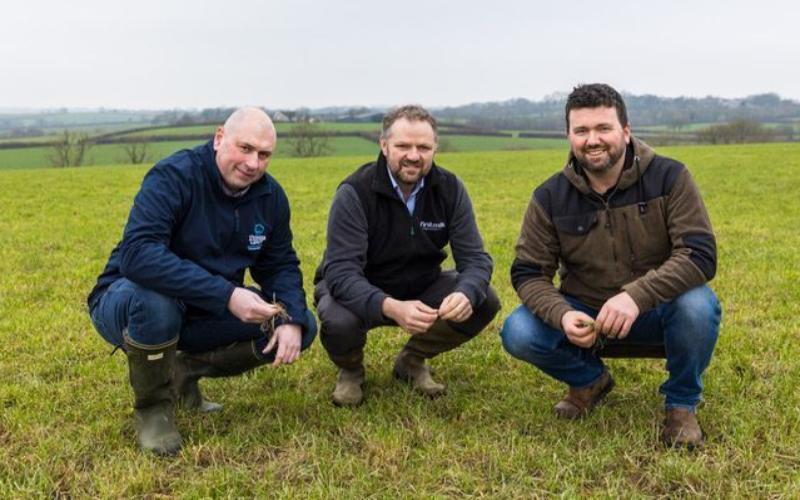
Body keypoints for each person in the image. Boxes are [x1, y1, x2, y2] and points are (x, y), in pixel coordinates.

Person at [500, 84, 721, 448]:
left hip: (655, 311)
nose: (593, 140)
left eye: (603, 128)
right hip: (587, 317)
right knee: (518, 330)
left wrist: (636, 297)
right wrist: (562, 316)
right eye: (581, 131)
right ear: (568, 136)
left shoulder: (671, 176)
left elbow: (699, 253)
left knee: (698, 305)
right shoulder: (549, 196)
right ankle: (589, 380)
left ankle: (681, 405)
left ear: (626, 131)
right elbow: (528, 272)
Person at [87, 107, 317, 456]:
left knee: (300, 325)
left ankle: (184, 371)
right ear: (219, 137)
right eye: (245, 148)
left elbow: (280, 264)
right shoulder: (174, 176)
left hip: (203, 308)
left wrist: (293, 319)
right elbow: (138, 254)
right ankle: (154, 410)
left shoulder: (270, 198)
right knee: (156, 304)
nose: (253, 163)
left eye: (264, 154)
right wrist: (226, 294)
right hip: (127, 301)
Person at [314, 105, 500, 406]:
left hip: (420, 284)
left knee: (484, 298)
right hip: (361, 286)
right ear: (384, 145)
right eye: (403, 146)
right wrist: (390, 307)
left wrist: (466, 292)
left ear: (435, 148)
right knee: (339, 322)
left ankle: (412, 361)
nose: (414, 155)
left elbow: (476, 259)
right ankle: (350, 370)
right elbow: (341, 273)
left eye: (423, 147)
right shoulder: (354, 192)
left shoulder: (450, 189)